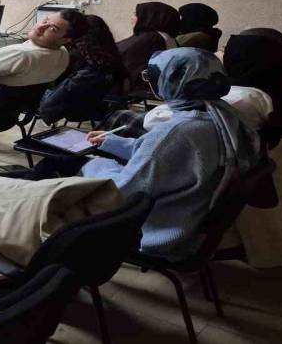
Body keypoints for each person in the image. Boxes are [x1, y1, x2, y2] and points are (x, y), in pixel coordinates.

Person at [82, 48, 261, 260]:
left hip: (158, 229)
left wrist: (92, 166)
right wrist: (112, 143)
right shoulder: (222, 114)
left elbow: (123, 191)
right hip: (190, 215)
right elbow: (164, 155)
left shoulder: (177, 132)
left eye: (151, 76)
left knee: (72, 176)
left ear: (172, 80)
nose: (149, 82)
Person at [0, 9, 86, 151]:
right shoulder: (62, 55)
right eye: (45, 21)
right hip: (5, 117)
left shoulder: (20, 55)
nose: (41, 27)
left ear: (66, 39)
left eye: (52, 29)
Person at [37, 14, 124, 124]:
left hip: (74, 108)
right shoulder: (109, 57)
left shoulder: (81, 64)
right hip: (96, 107)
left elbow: (48, 106)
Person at [116, 1, 181, 95]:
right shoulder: (166, 36)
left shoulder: (151, 37)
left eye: (135, 14)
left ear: (149, 17)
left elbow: (118, 51)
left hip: (142, 88)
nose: (132, 18)